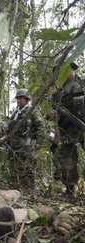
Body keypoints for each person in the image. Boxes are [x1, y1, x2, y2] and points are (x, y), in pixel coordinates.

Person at [51, 62, 85, 200]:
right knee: (66, 159)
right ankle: (70, 191)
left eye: (65, 70)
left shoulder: (82, 83)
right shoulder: (57, 94)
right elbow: (54, 115)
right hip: (67, 129)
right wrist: (53, 118)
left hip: (82, 126)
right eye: (59, 72)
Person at [6, 89, 45, 191]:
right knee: (14, 167)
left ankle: (29, 189)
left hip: (27, 145)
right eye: (17, 98)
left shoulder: (32, 110)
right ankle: (17, 188)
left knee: (28, 168)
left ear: (27, 99)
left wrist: (38, 143)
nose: (18, 100)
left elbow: (41, 126)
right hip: (14, 145)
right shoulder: (15, 112)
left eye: (21, 98)